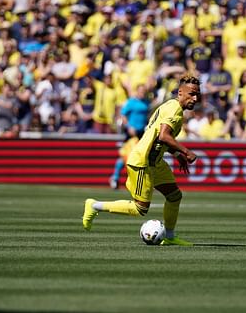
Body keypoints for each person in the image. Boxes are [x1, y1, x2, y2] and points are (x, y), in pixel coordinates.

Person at [82, 74, 201, 246]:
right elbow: (163, 135)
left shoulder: (170, 106)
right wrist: (186, 151)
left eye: (197, 94)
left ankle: (169, 236)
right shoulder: (174, 109)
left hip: (156, 161)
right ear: (180, 92)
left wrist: (176, 155)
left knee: (174, 196)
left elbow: (159, 138)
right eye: (192, 94)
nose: (195, 98)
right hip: (143, 161)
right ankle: (94, 205)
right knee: (141, 208)